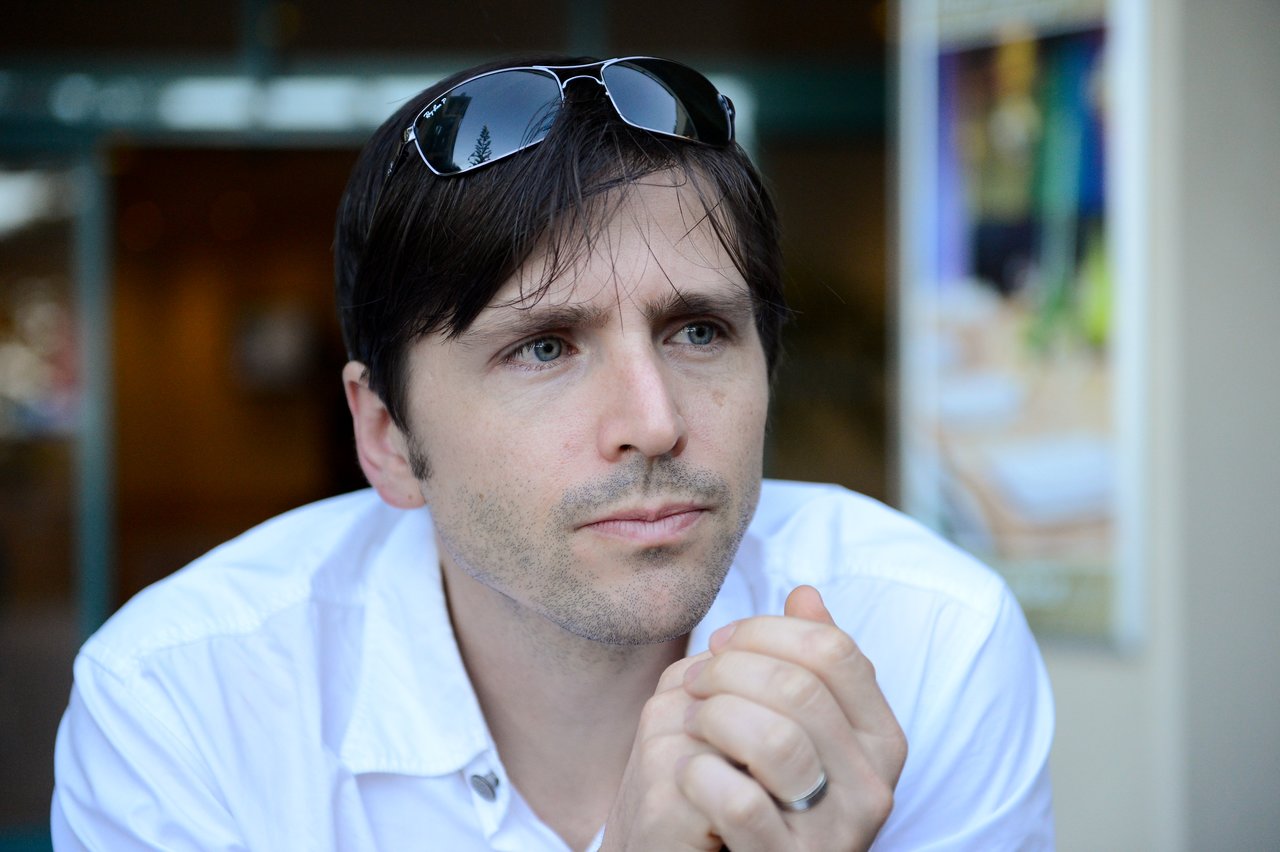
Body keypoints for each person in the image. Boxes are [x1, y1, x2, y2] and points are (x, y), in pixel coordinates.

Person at [52, 55, 1054, 851]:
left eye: (697, 330)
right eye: (543, 347)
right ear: (387, 436)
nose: (653, 421)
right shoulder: (183, 704)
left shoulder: (924, 645)